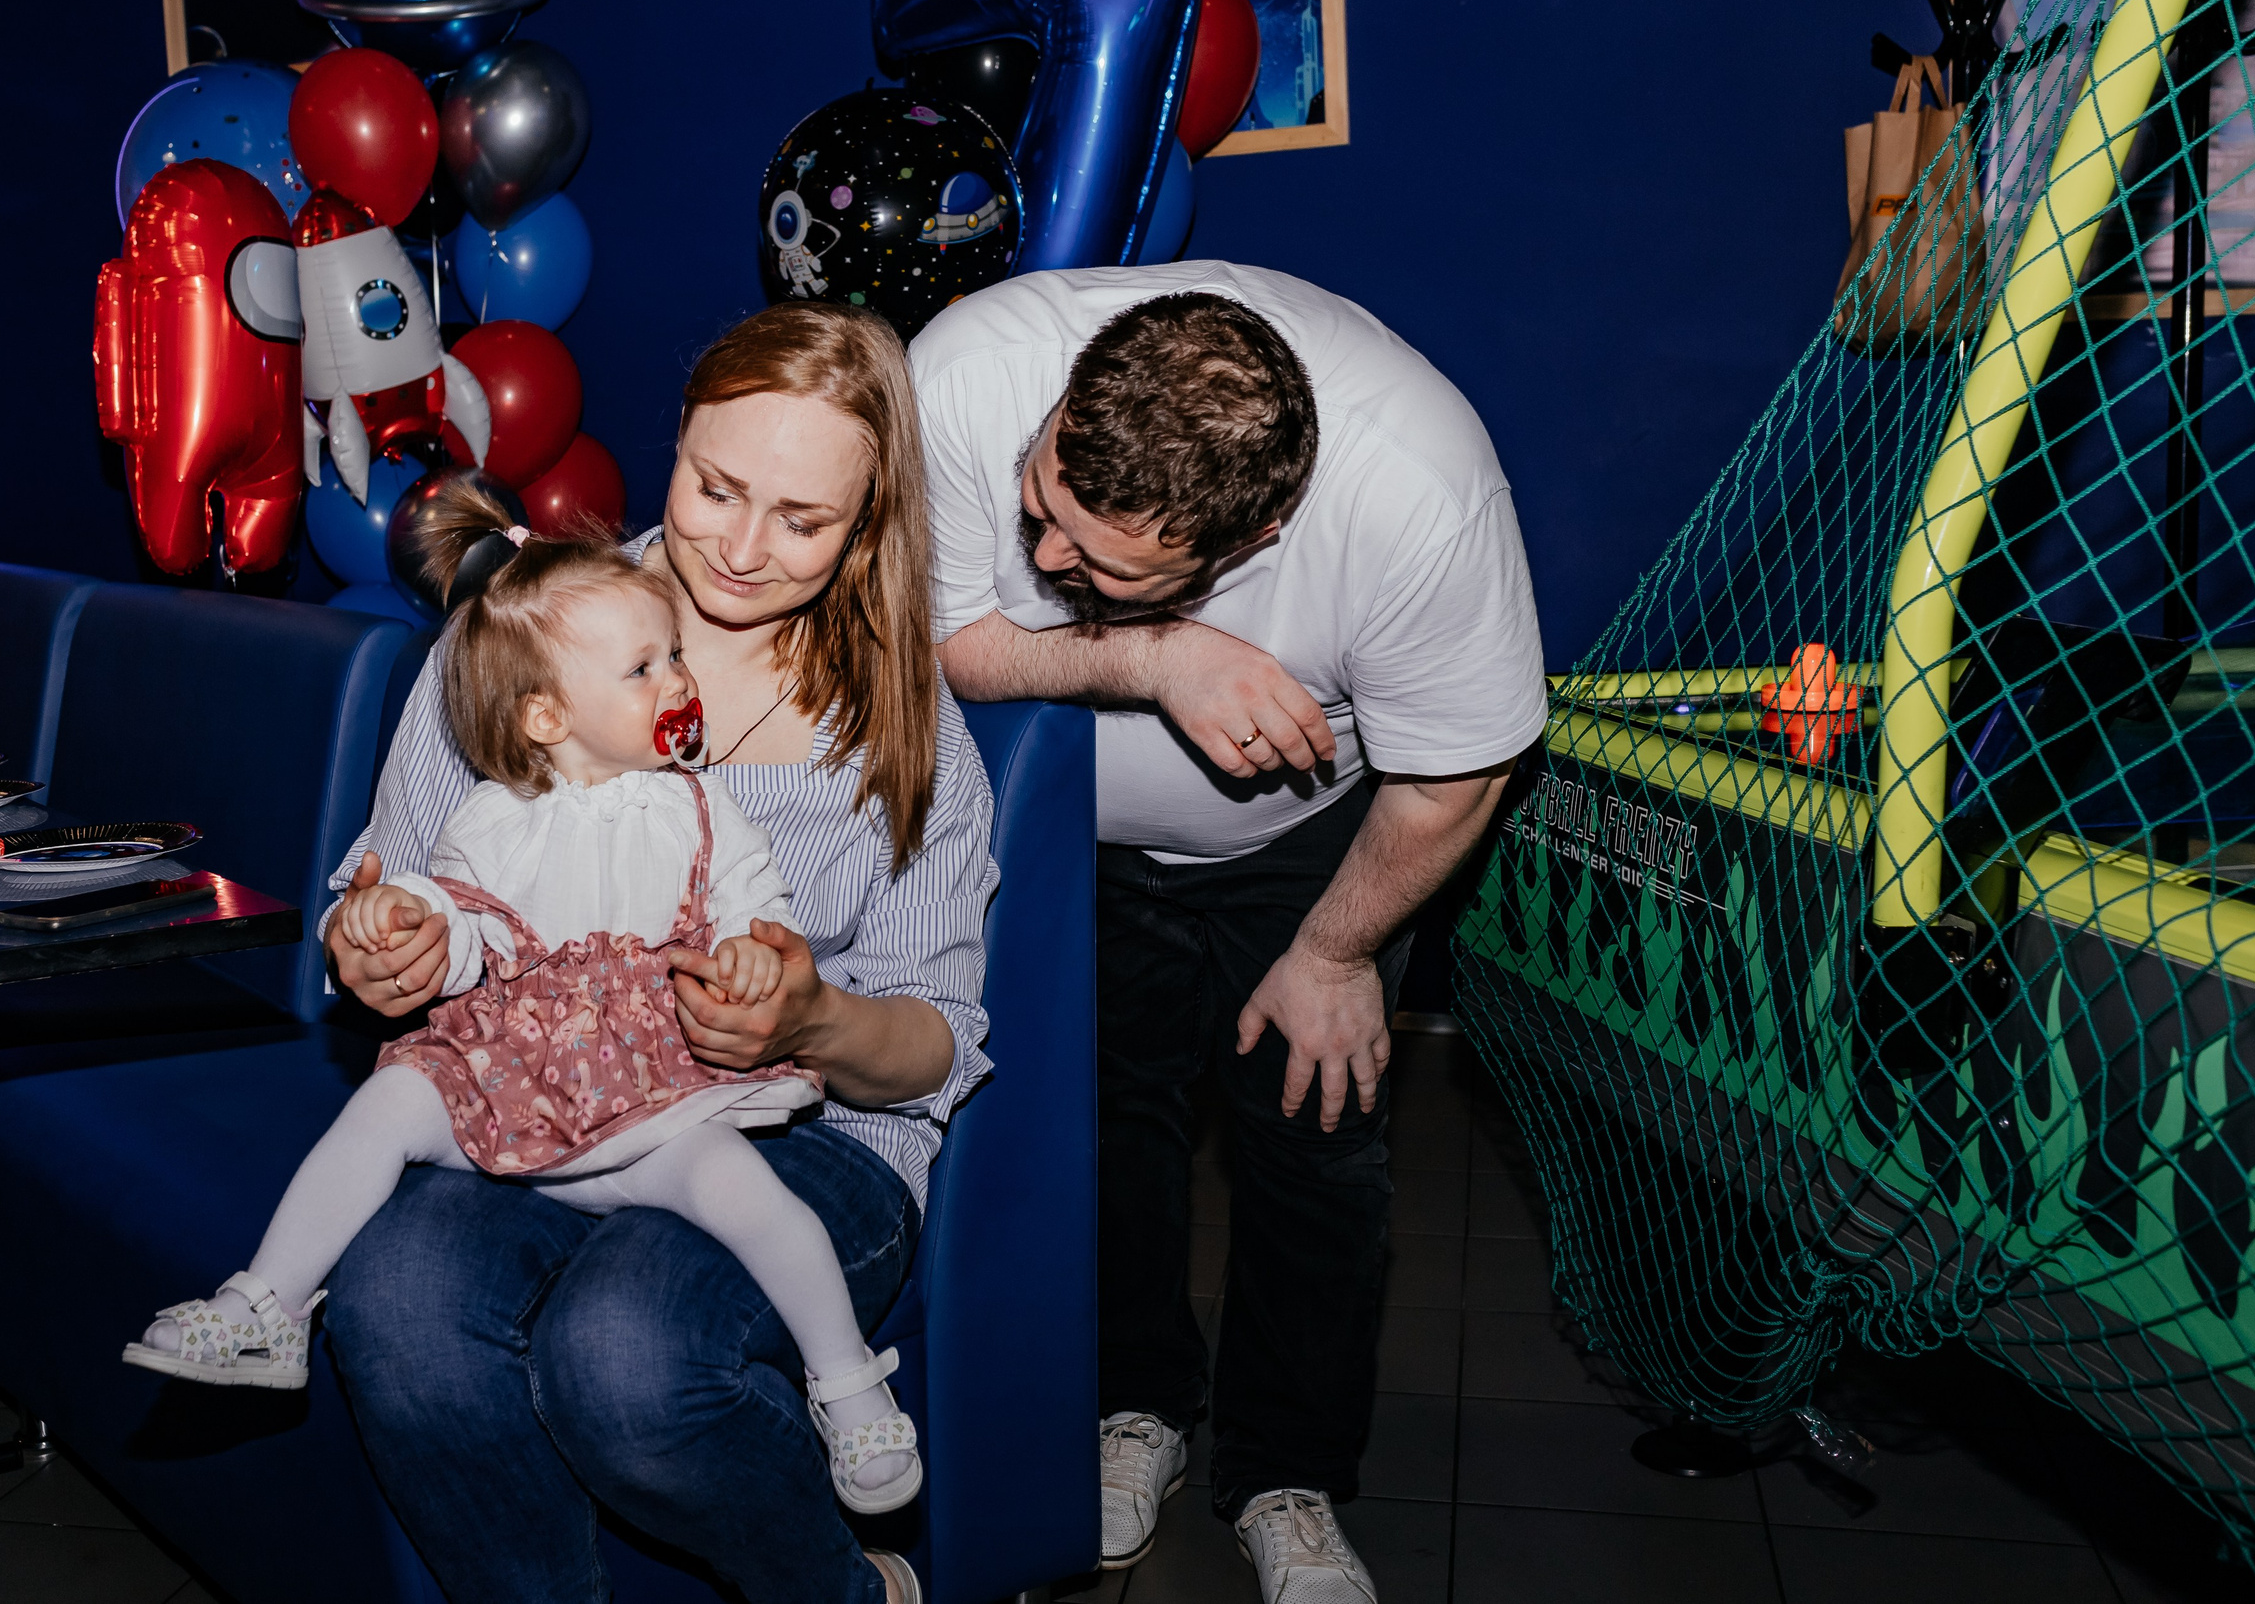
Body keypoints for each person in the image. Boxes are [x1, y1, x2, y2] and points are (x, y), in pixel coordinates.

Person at [318, 303, 997, 1604]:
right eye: (714, 486)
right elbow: (389, 876)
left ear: (867, 525)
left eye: (801, 518)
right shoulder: (516, 632)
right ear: (673, 443)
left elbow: (935, 1040)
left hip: (816, 1133)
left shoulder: (903, 722)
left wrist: (809, 1018)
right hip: (538, 1092)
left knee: (626, 1352)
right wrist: (383, 939)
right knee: (394, 1303)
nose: (740, 548)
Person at [914, 262, 1546, 1602]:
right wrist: (1153, 651)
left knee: (1315, 1139)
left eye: (1103, 566)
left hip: (1304, 853)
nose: (1046, 562)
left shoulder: (1417, 492)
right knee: (1096, 1127)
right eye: (1045, 505)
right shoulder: (967, 371)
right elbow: (954, 639)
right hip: (1058, 833)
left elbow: (1462, 772)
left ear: (1255, 541)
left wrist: (1337, 953)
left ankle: (1284, 1473)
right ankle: (1130, 1407)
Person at [123, 505, 920, 1514]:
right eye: (644, 668)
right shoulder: (490, 822)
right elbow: (461, 928)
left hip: (656, 1100)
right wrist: (396, 916)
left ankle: (847, 1384)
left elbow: (755, 909)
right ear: (547, 716)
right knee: (388, 1104)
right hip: (519, 1099)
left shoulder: (701, 810)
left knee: (757, 1202)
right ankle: (265, 1304)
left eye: (674, 655)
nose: (678, 680)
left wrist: (751, 958)